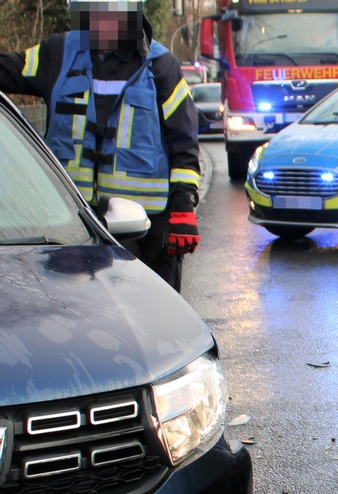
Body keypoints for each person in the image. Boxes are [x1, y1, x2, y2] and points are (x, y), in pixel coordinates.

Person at [0, 0, 201, 291]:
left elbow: (184, 142)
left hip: (146, 234)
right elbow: (6, 69)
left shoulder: (162, 66)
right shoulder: (58, 54)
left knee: (151, 312)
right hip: (72, 232)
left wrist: (183, 207)